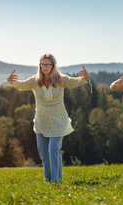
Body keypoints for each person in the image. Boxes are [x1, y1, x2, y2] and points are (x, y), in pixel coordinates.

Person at [7, 53, 90, 182]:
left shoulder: (61, 79)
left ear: (53, 65)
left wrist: (84, 78)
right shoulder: (35, 81)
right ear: (39, 66)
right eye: (43, 64)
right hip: (41, 121)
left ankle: (56, 180)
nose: (45, 67)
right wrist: (11, 81)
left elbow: (75, 82)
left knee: (53, 148)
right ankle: (49, 179)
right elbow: (21, 85)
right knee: (44, 154)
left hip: (58, 120)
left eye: (48, 64)